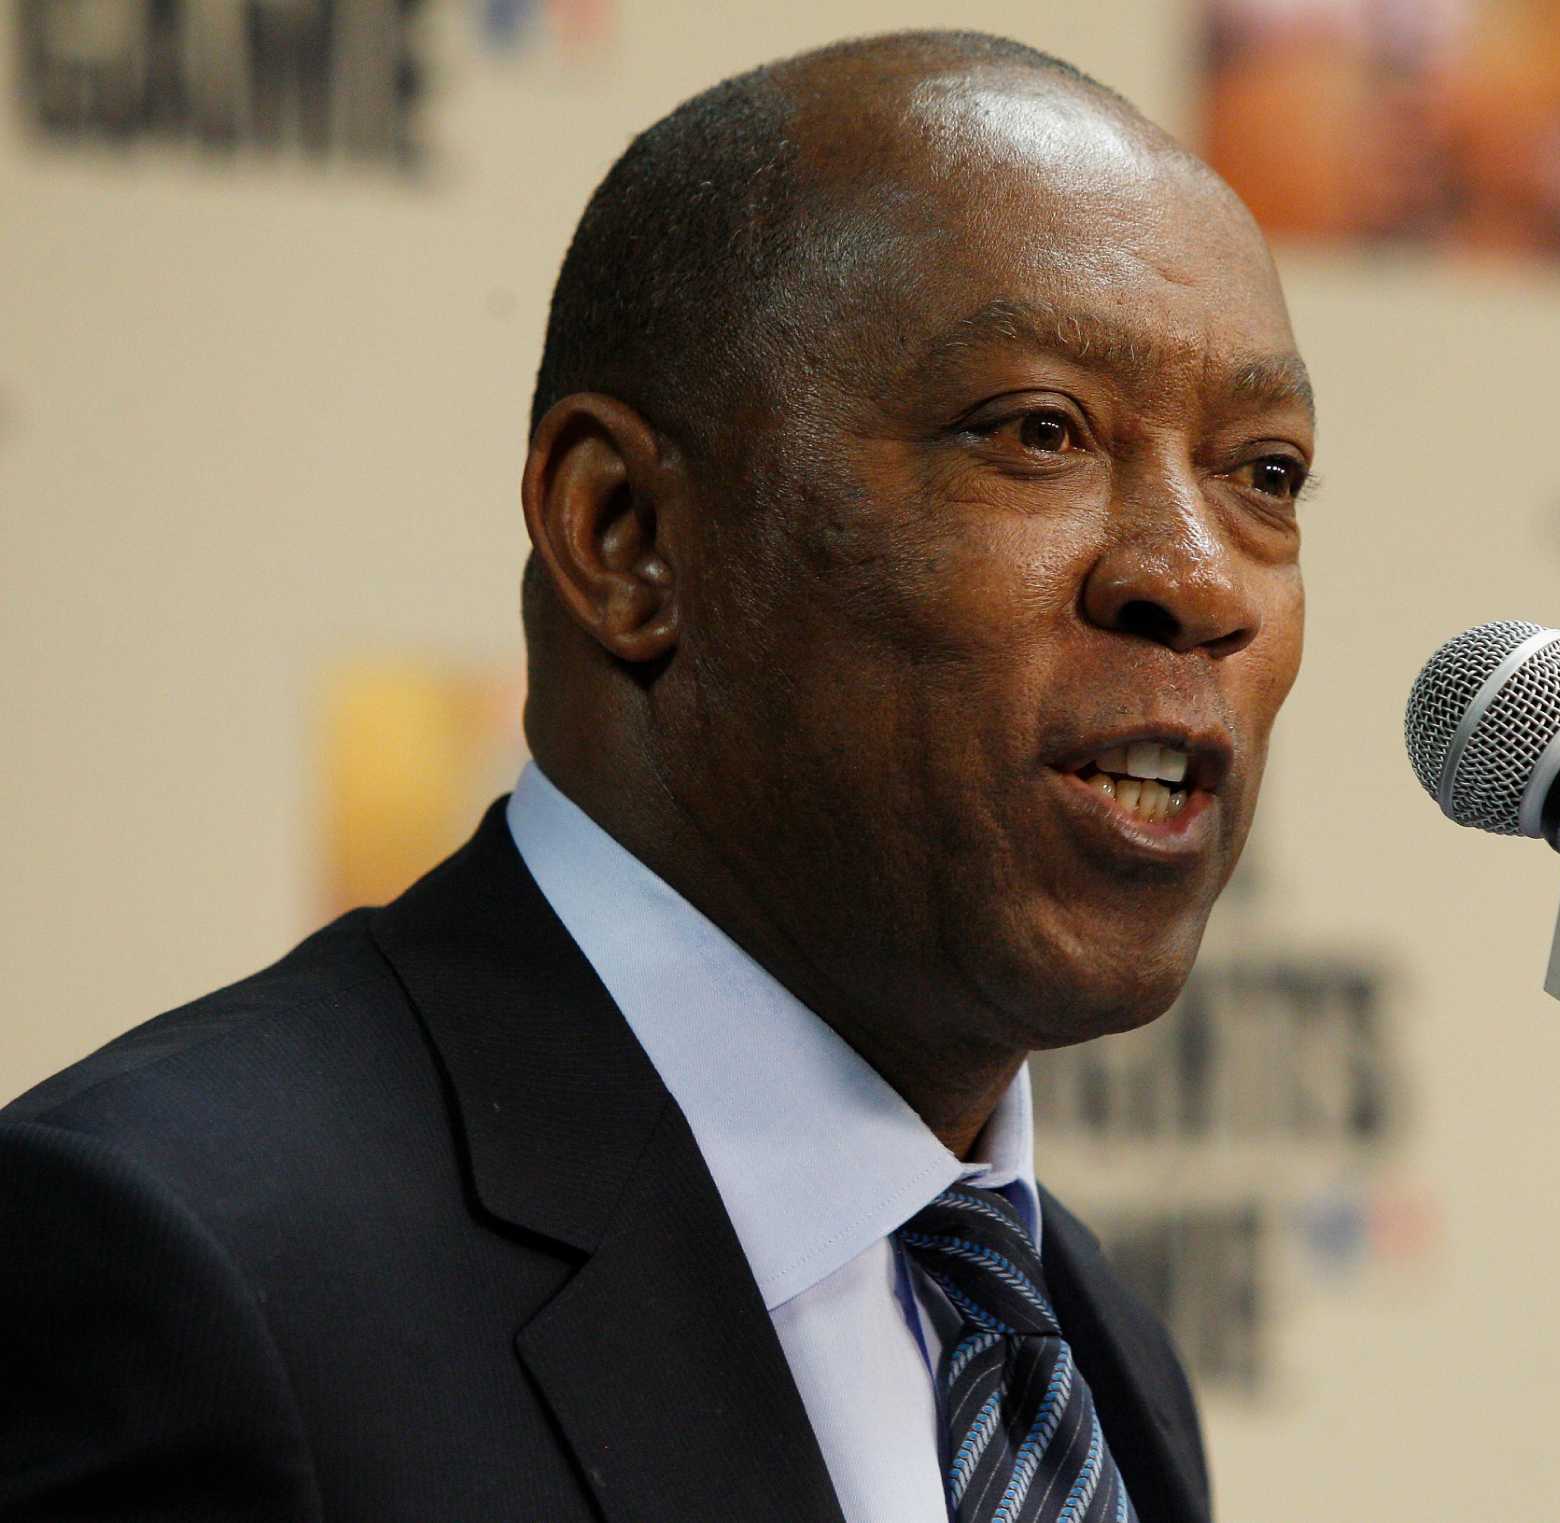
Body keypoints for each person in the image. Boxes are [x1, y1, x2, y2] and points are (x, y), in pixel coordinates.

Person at [0, 29, 1314, 1523]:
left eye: (1264, 473)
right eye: (1038, 433)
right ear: (624, 536)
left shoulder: (1088, 1362)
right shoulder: (181, 1274)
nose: (1199, 580)